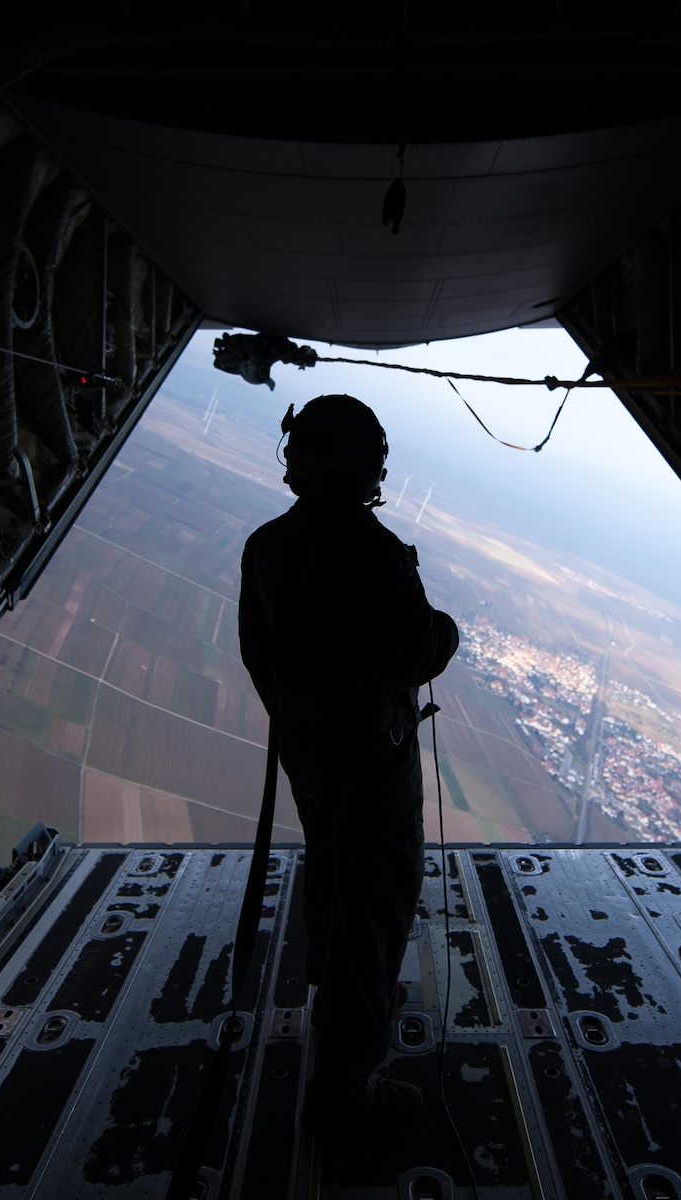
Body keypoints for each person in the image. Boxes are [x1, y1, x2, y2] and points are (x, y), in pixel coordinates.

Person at [238, 393, 459, 1138]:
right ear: (370, 467)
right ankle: (344, 1092)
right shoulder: (375, 553)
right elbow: (412, 652)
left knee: (335, 883)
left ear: (295, 460)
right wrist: (447, 634)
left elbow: (257, 654)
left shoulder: (266, 544)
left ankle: (332, 994)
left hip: (311, 761)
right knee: (376, 913)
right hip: (372, 769)